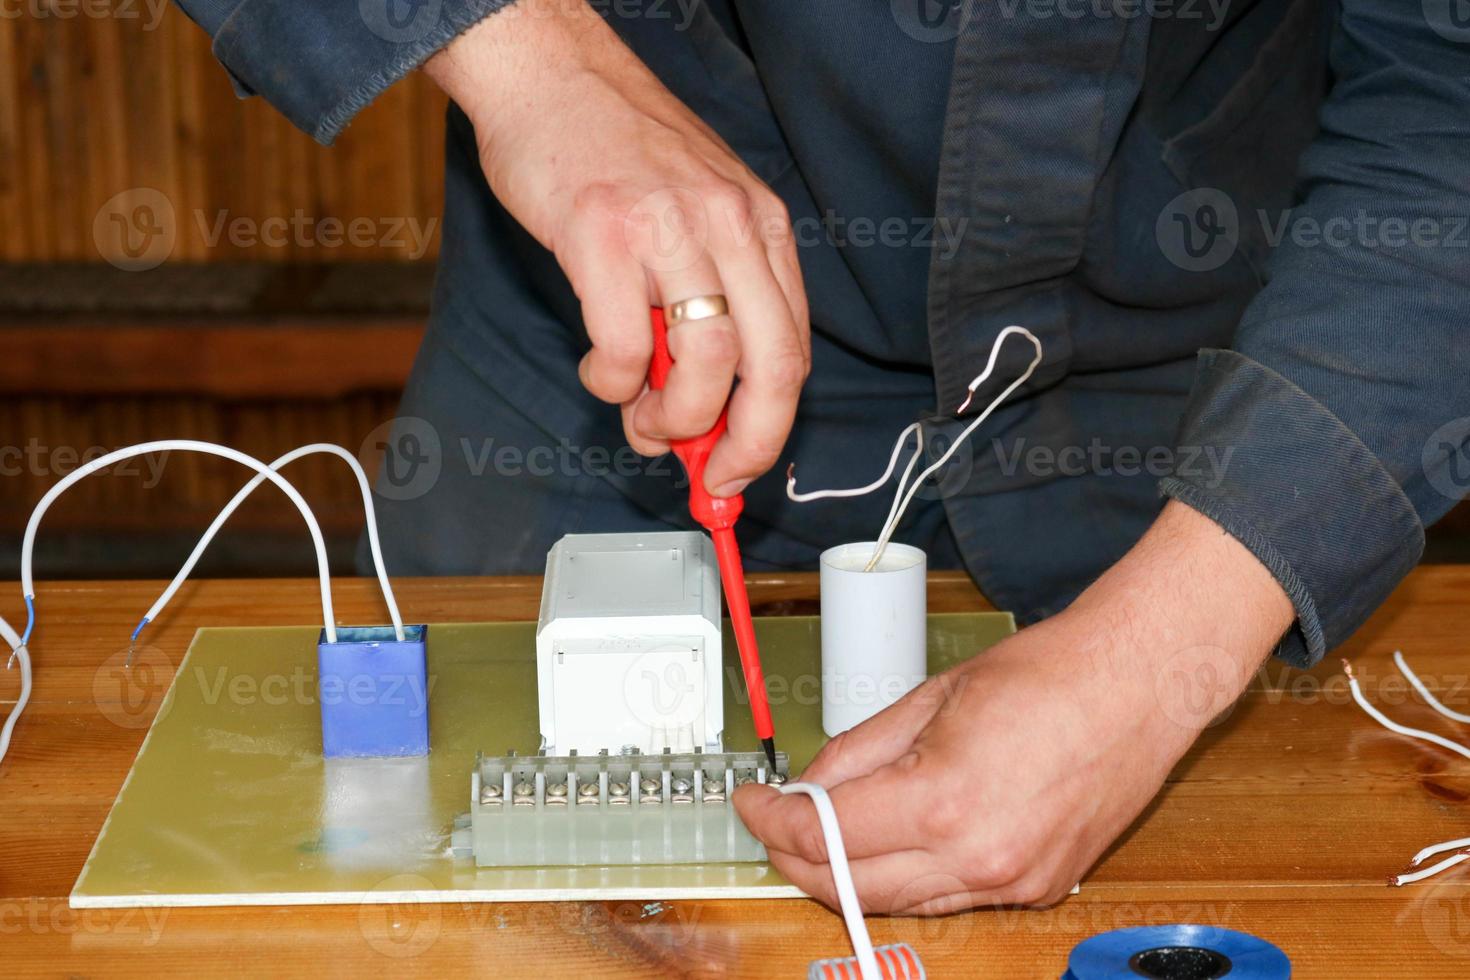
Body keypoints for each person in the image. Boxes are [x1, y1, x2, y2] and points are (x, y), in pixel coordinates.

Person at [174, 0, 1470, 912]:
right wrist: (528, 61)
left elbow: (1443, 112)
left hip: (1201, 407)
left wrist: (1153, 658)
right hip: (601, 352)